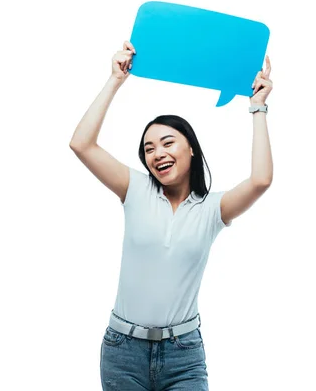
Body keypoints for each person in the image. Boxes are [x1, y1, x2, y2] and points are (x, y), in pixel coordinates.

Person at [69, 40, 273, 391]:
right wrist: (114, 80)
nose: (157, 153)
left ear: (191, 148)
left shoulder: (213, 209)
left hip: (184, 354)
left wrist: (257, 109)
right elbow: (81, 144)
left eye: (167, 142)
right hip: (122, 352)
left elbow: (260, 180)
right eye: (148, 148)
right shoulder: (134, 189)